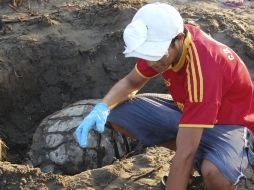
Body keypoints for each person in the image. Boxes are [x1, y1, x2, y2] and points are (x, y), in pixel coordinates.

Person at [75, 2, 254, 190]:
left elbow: (185, 152)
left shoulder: (204, 69)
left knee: (215, 174)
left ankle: (217, 158)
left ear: (178, 39)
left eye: (157, 55)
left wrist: (185, 157)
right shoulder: (165, 42)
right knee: (119, 113)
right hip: (190, 107)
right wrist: (102, 107)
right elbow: (130, 83)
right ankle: (200, 155)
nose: (152, 63)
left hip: (231, 124)